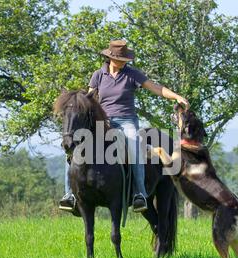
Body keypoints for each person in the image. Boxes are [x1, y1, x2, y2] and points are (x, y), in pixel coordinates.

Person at [59, 39, 189, 213]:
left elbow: (156, 88)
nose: (123, 62)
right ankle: (70, 195)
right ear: (110, 58)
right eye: (120, 59)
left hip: (127, 121)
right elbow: (89, 99)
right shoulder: (98, 75)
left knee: (134, 147)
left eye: (125, 59)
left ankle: (139, 194)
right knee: (74, 148)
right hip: (104, 122)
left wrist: (176, 96)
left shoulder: (132, 74)